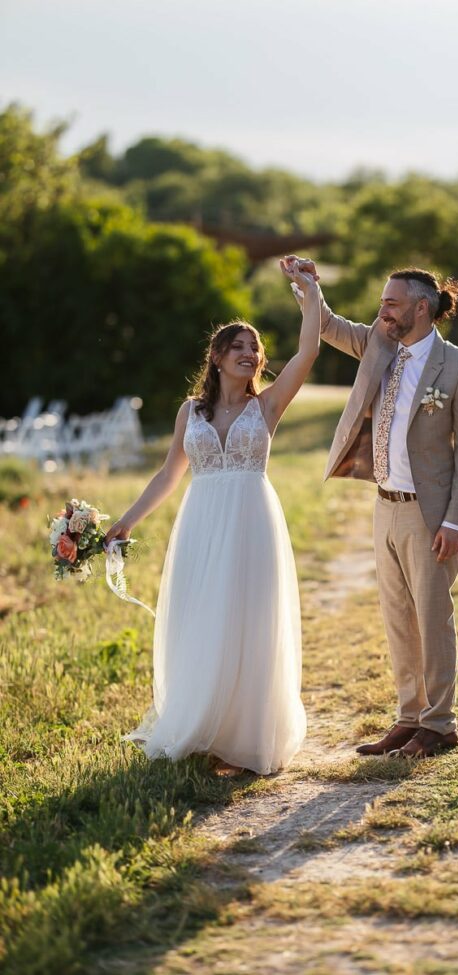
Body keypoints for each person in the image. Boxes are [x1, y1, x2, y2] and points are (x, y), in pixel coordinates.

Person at [104, 265, 321, 776]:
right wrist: (128, 521)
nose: (250, 353)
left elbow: (308, 352)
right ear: (218, 357)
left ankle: (245, 739)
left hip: (251, 520)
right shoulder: (190, 413)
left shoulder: (267, 406)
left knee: (248, 620)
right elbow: (168, 474)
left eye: (256, 349)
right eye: (239, 346)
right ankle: (203, 727)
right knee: (203, 618)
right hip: (200, 524)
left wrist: (311, 295)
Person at [281, 257, 458, 759]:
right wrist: (307, 286)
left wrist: (456, 519)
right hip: (385, 505)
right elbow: (327, 325)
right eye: (381, 304)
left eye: (390, 303)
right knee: (397, 616)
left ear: (422, 308)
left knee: (432, 617)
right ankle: (409, 717)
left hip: (430, 512)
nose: (382, 311)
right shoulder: (379, 342)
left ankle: (440, 725)